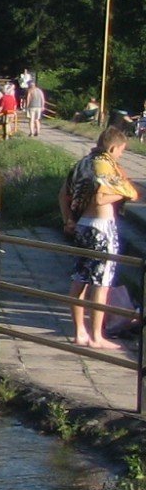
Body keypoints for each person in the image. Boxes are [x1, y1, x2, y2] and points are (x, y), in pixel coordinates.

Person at [66, 125, 138, 349]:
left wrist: (68, 219)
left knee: (80, 279)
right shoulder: (103, 165)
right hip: (102, 227)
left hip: (83, 226)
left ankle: (80, 332)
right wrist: (126, 192)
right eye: (121, 152)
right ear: (114, 147)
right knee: (102, 283)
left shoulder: (83, 163)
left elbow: (64, 193)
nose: (120, 156)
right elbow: (100, 198)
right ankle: (97, 336)